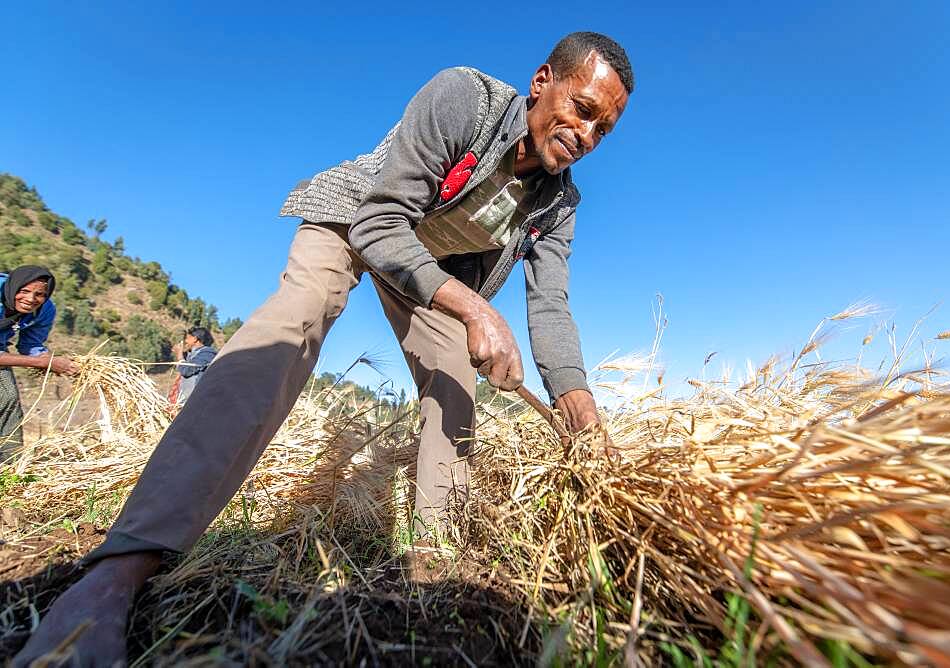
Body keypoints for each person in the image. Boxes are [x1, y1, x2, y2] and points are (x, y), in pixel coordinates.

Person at [13, 31, 633, 665]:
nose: (586, 135)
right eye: (582, 109)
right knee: (292, 324)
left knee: (454, 380)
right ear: (542, 81)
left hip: (432, 267)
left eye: (602, 130)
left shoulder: (560, 202)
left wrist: (579, 406)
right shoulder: (464, 100)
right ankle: (121, 566)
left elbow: (550, 305)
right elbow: (378, 223)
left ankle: (434, 563)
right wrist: (476, 309)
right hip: (362, 218)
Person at [1, 265, 79, 461]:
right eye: (24, 291)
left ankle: (8, 466)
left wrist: (52, 360)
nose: (30, 299)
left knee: (8, 397)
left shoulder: (44, 310)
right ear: (13, 287)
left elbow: (31, 344)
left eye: (39, 294)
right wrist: (43, 364)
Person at [170, 326, 218, 404]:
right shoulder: (193, 354)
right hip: (185, 402)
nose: (185, 341)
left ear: (195, 339)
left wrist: (179, 355)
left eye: (188, 338)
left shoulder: (207, 354)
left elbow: (186, 371)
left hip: (195, 402)